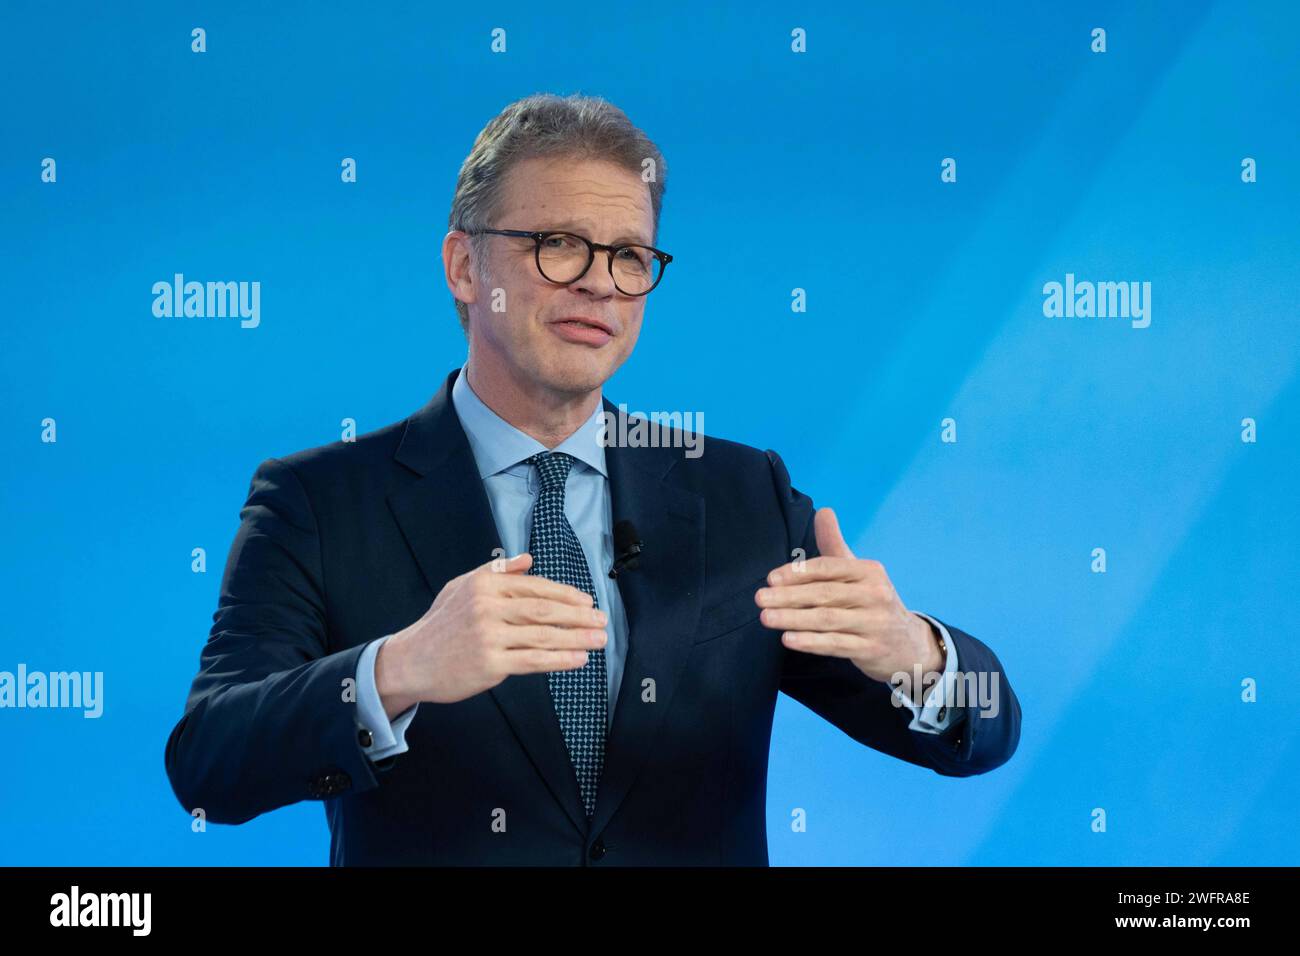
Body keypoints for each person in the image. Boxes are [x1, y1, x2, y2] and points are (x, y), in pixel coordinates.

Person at [164, 92, 1021, 865]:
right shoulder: (318, 501)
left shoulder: (737, 495)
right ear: (465, 267)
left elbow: (989, 729)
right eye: (558, 246)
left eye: (629, 256)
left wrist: (916, 653)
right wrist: (400, 668)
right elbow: (209, 763)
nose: (600, 287)